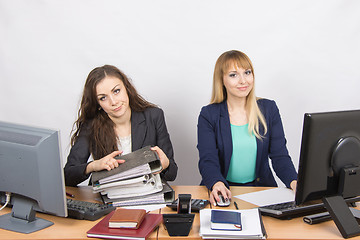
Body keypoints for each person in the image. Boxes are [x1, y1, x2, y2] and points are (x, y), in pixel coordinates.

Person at [197, 50, 297, 206]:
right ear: (221, 80)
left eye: (247, 72)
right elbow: (208, 159)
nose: (243, 80)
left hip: (262, 191)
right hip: (223, 191)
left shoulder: (269, 109)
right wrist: (216, 183)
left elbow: (280, 156)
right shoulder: (209, 114)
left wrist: (294, 182)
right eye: (233, 75)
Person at [64, 65, 177, 186]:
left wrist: (166, 165)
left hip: (146, 197)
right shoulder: (91, 125)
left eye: (116, 91)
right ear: (97, 104)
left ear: (126, 88)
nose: (113, 102)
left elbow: (172, 173)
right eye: (103, 98)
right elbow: (67, 175)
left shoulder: (154, 116)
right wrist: (93, 165)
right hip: (107, 198)